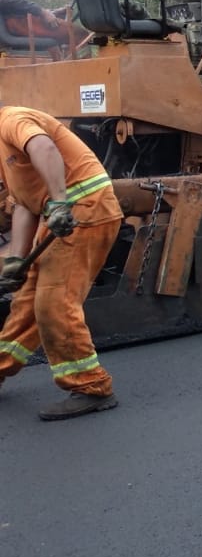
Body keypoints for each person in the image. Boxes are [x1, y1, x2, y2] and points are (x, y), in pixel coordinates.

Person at [0, 104, 122, 420]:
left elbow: (44, 146)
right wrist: (16, 259)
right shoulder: (4, 154)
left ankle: (92, 387)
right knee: (26, 301)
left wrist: (58, 204)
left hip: (85, 208)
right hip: (63, 213)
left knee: (54, 301)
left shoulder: (10, 120)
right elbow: (25, 204)